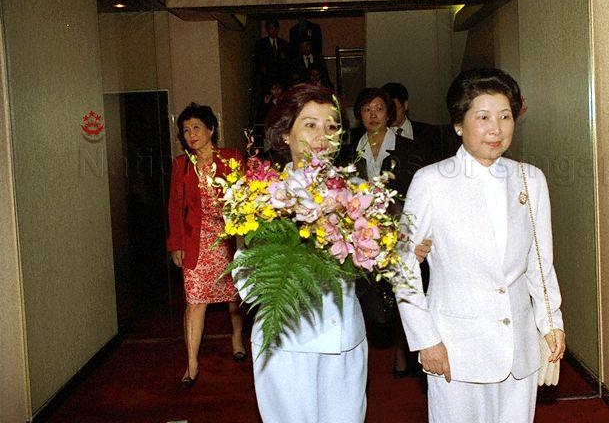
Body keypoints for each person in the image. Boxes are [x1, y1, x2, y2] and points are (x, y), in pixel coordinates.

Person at [394, 68, 566, 422]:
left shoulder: (530, 179)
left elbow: (540, 261)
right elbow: (402, 265)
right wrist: (425, 338)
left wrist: (552, 323)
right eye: (483, 117)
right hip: (456, 347)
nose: (496, 129)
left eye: (505, 117)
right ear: (459, 124)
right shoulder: (431, 181)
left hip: (518, 346)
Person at [233, 84, 368, 423]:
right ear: (285, 136)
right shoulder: (262, 198)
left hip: (344, 340)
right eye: (310, 124)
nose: (323, 135)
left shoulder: (358, 194)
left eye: (332, 126)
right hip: (288, 343)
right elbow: (247, 281)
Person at [166, 102, 246, 387]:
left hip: (228, 240)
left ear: (211, 129)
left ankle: (237, 337)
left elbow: (246, 200)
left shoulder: (231, 159)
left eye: (196, 127)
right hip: (195, 241)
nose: (191, 134)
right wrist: (175, 244)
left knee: (234, 298)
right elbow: (175, 208)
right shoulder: (181, 165)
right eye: (186, 130)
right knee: (195, 302)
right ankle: (191, 363)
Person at [349, 87, 425, 378]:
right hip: (362, 235)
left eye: (379, 109)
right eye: (367, 109)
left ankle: (402, 353)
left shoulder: (407, 148)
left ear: (389, 113)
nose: (373, 115)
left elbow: (416, 193)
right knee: (367, 295)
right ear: (359, 115)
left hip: (399, 231)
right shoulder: (349, 151)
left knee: (402, 293)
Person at [381, 82, 442, 163]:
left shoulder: (429, 133)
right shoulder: (378, 135)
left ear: (405, 105)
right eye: (388, 111)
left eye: (395, 110)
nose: (391, 115)